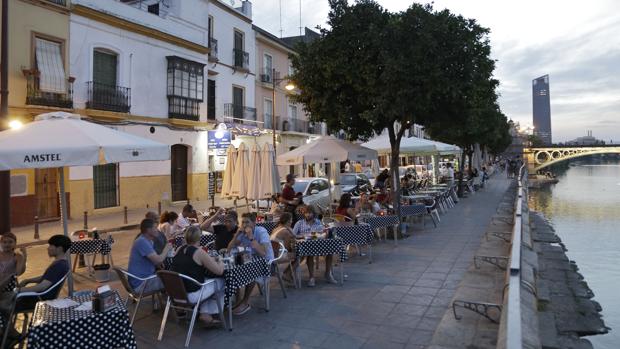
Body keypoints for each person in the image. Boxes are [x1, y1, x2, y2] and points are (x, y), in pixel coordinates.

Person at [0, 234, 71, 341]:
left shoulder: (59, 266)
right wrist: (28, 280)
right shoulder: (60, 263)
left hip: (37, 299)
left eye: (50, 246)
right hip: (36, 296)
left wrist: (18, 290)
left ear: (59, 248)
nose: (48, 248)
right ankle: (8, 331)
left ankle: (9, 333)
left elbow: (42, 287)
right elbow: (45, 278)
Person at [170, 226, 225, 327]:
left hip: (177, 294)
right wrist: (220, 260)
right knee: (221, 281)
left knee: (208, 280)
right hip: (192, 295)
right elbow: (220, 271)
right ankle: (206, 314)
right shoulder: (199, 252)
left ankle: (204, 311)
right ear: (200, 238)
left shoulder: (179, 249)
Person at [227, 213, 274, 315]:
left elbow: (263, 252)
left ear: (254, 223)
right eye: (242, 222)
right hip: (250, 260)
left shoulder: (261, 232)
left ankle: (245, 302)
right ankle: (239, 300)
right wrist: (236, 236)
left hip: (266, 263)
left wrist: (251, 237)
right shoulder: (242, 233)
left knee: (250, 270)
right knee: (234, 270)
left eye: (247, 222)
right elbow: (228, 250)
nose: (244, 225)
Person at [292, 206, 337, 286]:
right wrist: (302, 236)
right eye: (306, 213)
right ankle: (311, 277)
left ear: (313, 214)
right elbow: (293, 235)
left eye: (309, 213)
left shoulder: (318, 222)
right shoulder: (299, 223)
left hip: (318, 244)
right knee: (310, 254)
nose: (308, 215)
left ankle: (327, 274)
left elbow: (322, 233)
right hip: (305, 246)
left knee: (330, 252)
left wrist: (325, 231)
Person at [128, 219, 173, 293]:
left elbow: (155, 260)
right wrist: (166, 248)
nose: (157, 230)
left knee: (169, 275)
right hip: (141, 283)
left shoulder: (148, 241)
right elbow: (159, 260)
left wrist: (158, 264)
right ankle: (174, 302)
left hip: (143, 279)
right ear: (148, 230)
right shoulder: (142, 241)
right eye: (155, 228)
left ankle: (166, 301)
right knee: (176, 280)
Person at [269, 213, 296, 282]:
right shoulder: (285, 232)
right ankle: (287, 273)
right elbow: (287, 248)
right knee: (300, 255)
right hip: (279, 256)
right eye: (291, 220)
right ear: (288, 221)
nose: (292, 221)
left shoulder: (276, 229)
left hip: (272, 255)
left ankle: (288, 273)